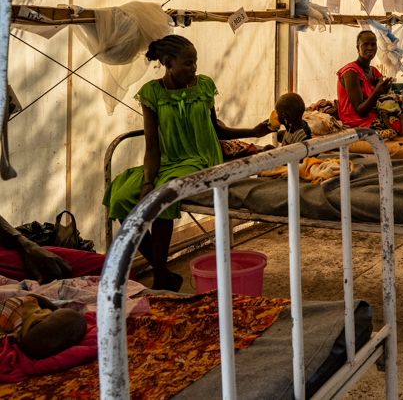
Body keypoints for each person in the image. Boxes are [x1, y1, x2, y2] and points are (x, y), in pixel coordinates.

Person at [103, 36, 271, 290]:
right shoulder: (151, 93)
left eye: (195, 63)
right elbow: (152, 146)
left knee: (164, 194)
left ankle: (159, 279)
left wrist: (253, 132)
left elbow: (215, 129)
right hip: (168, 159)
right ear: (168, 63)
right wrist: (148, 180)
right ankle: (166, 274)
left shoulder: (204, 86)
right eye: (187, 63)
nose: (194, 68)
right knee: (121, 195)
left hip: (201, 159)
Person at [0, 293, 87, 360]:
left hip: (31, 349)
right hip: (35, 335)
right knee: (73, 316)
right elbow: (31, 296)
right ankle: (58, 311)